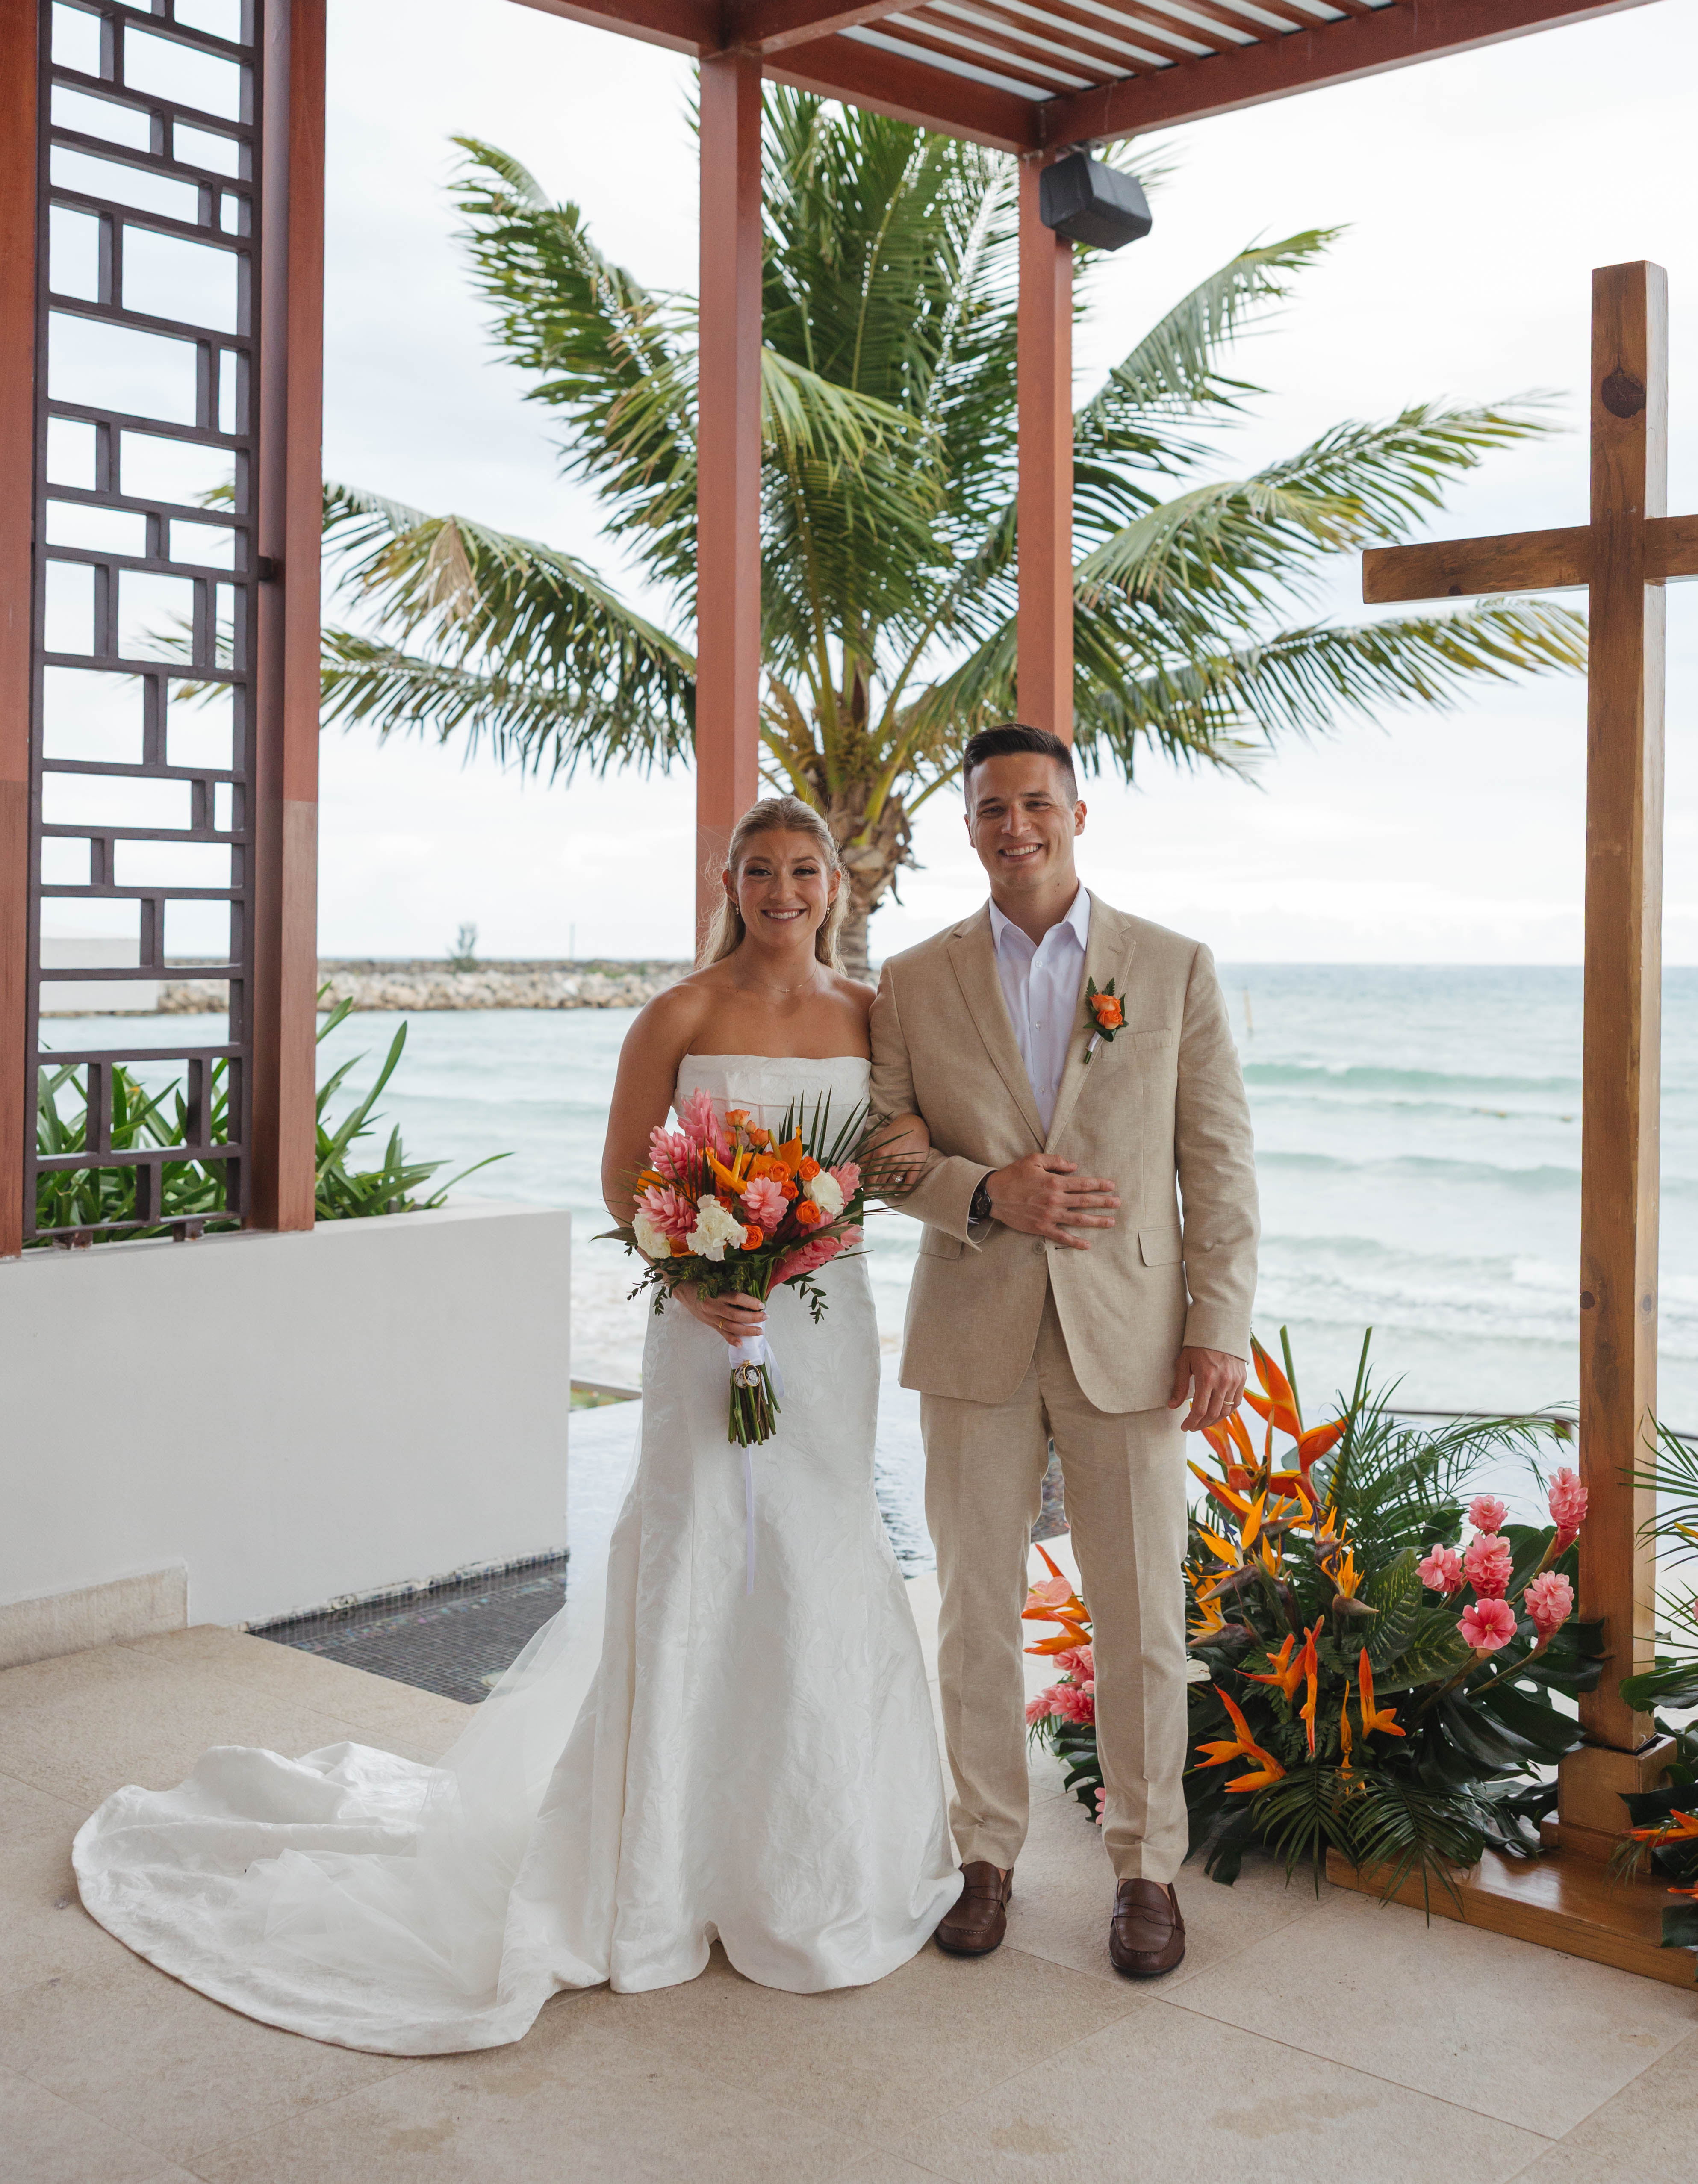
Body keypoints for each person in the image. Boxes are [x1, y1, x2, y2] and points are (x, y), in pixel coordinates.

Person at [73, 797, 959, 2054]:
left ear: (835, 886)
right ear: (729, 879)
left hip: (822, 1328)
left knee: (821, 1558)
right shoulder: (681, 1011)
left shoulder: (872, 1017)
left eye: (802, 871)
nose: (781, 890)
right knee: (697, 1548)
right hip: (703, 1324)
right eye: (759, 870)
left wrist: (885, 1166)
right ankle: (655, 1872)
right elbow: (624, 1177)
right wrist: (697, 1279)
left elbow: (901, 1146)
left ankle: (817, 1858)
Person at [870, 723, 1259, 1980]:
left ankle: (1146, 1873)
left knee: (1141, 1617)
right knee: (973, 1610)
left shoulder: (1172, 965)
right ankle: (983, 1853)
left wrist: (1215, 1326)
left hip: (1131, 1340)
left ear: (1077, 815)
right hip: (972, 1330)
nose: (1013, 827)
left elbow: (1216, 1163)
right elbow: (881, 1151)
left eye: (1035, 804)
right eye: (991, 808)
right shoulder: (913, 977)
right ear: (968, 824)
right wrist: (988, 1192)